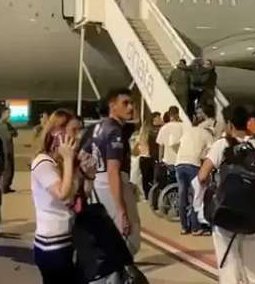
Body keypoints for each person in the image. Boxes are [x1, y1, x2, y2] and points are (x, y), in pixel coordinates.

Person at [198, 106, 255, 284]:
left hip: (226, 213)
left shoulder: (221, 145)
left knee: (229, 265)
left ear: (229, 124)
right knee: (254, 269)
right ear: (247, 123)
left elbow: (202, 176)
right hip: (253, 215)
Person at [82, 89, 141, 283]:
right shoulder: (115, 131)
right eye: (125, 103)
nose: (130, 107)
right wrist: (121, 209)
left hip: (98, 185)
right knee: (127, 241)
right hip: (112, 186)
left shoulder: (96, 128)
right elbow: (113, 171)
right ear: (112, 105)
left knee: (107, 240)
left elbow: (82, 156)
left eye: (131, 103)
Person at [31, 110, 80, 283]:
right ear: (55, 131)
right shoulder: (43, 162)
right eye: (73, 131)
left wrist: (87, 175)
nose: (77, 136)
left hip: (67, 238)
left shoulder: (60, 162)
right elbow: (62, 194)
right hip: (51, 244)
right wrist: (68, 159)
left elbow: (75, 198)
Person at [175, 110, 214, 235]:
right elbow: (212, 152)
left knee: (182, 194)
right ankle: (195, 227)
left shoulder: (188, 132)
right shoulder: (206, 134)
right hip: (193, 164)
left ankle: (184, 227)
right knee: (196, 196)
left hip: (179, 164)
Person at [136, 112, 162, 198]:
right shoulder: (154, 130)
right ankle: (151, 196)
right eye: (159, 117)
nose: (160, 119)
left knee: (146, 178)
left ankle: (148, 195)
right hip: (150, 157)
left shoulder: (145, 129)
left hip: (144, 156)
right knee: (152, 178)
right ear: (154, 119)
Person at [0, 106, 18, 193]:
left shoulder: (7, 124)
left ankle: (7, 185)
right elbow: (8, 136)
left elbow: (15, 134)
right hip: (5, 148)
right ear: (3, 113)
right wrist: (12, 132)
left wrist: (12, 132)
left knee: (10, 168)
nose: (9, 115)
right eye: (8, 113)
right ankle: (4, 186)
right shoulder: (1, 124)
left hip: (9, 147)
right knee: (7, 168)